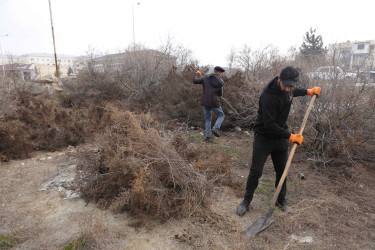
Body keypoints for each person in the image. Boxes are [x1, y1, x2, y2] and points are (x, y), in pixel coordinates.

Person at [236, 66, 321, 216]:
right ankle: (246, 201)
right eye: (286, 85)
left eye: (291, 85)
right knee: (256, 171)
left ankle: (281, 201)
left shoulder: (289, 88)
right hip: (264, 137)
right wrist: (290, 136)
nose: (288, 89)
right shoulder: (268, 96)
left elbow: (294, 92)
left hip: (280, 137)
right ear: (279, 78)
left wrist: (308, 91)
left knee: (282, 170)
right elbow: (269, 126)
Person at [193, 66, 226, 142]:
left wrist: (196, 74)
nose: (220, 74)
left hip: (205, 102)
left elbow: (195, 81)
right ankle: (216, 128)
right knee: (221, 115)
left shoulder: (205, 78)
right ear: (218, 72)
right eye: (220, 72)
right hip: (214, 102)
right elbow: (220, 94)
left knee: (208, 119)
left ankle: (207, 137)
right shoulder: (220, 81)